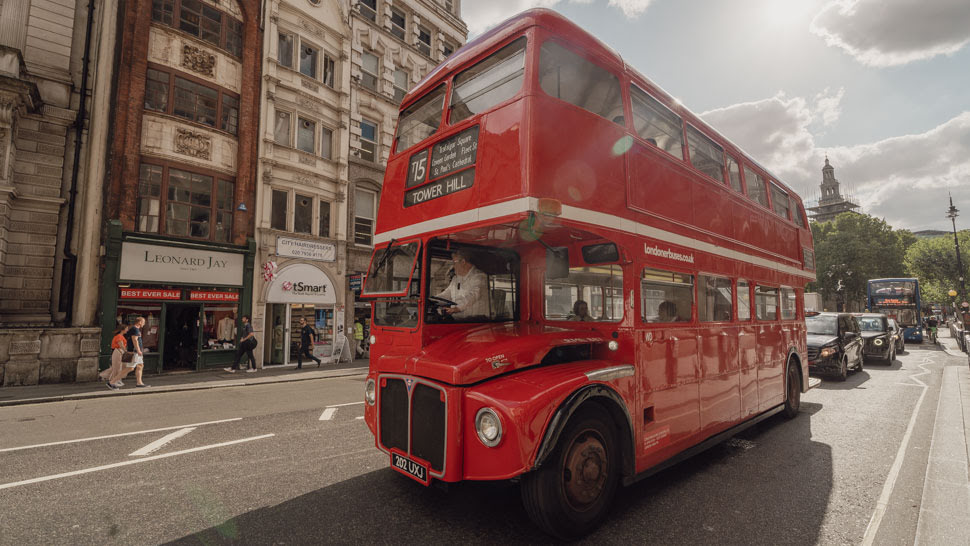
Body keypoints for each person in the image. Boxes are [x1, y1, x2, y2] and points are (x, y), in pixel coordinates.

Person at [436, 248, 488, 319]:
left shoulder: (480, 277)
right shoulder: (456, 279)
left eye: (454, 263)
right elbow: (446, 294)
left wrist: (457, 308)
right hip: (458, 321)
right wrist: (431, 300)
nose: (453, 266)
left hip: (476, 322)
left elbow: (473, 295)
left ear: (463, 262)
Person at [109, 317, 150, 388]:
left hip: (136, 352)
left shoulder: (135, 329)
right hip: (135, 352)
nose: (144, 323)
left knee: (140, 366)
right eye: (143, 322)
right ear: (139, 322)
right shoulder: (135, 329)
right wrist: (138, 350)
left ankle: (139, 383)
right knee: (130, 368)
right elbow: (135, 340)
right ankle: (112, 382)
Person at [102, 324, 129, 389]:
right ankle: (112, 382)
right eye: (126, 328)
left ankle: (114, 380)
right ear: (123, 329)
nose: (127, 330)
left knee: (119, 367)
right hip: (118, 351)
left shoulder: (120, 336)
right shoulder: (119, 336)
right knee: (117, 367)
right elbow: (121, 345)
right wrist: (126, 351)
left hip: (119, 351)